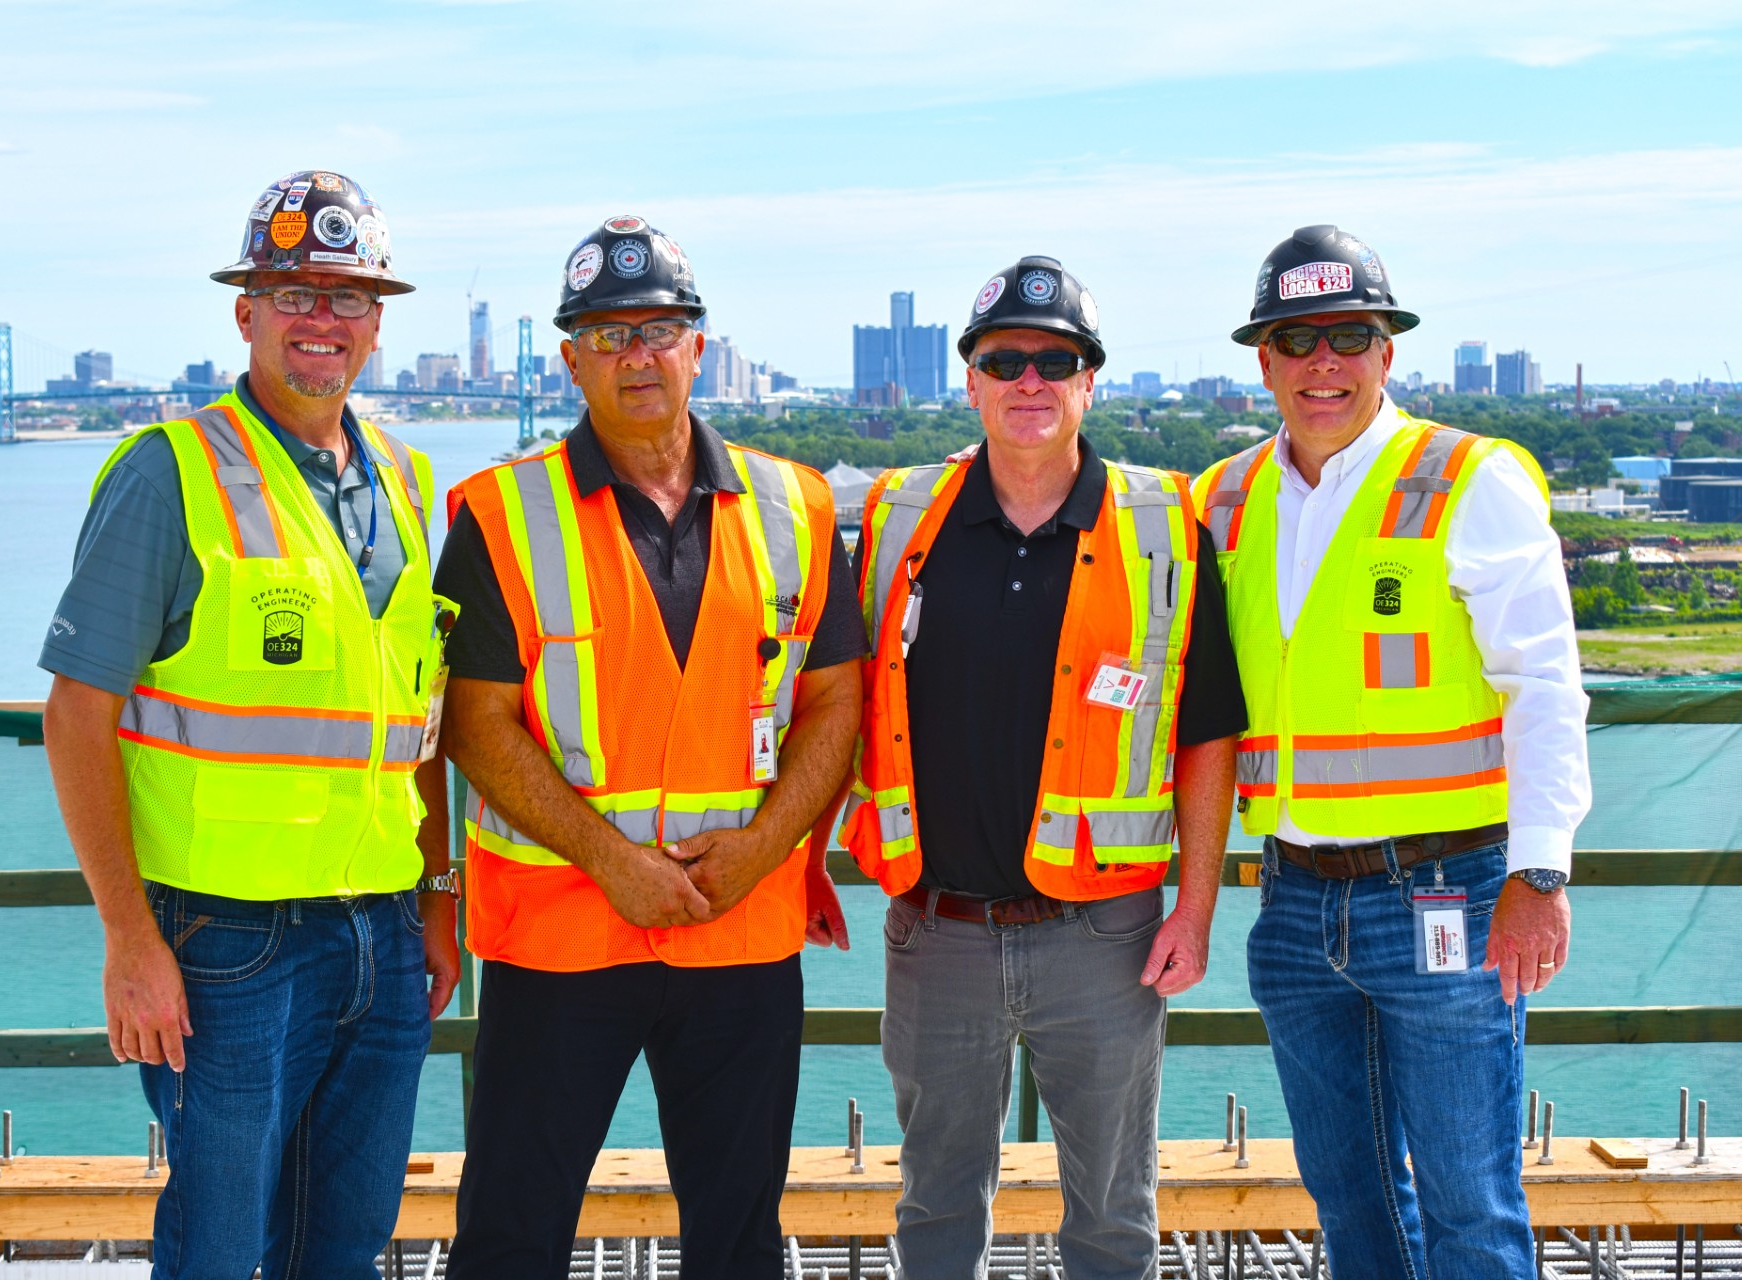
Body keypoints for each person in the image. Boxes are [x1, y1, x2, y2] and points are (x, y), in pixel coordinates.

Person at [40, 171, 459, 1279]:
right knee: (223, 1251)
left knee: (346, 1245)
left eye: (348, 296)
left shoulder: (410, 483)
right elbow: (76, 712)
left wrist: (437, 894)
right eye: (294, 293)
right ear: (247, 313)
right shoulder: (169, 474)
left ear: (378, 323)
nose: (322, 318)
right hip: (226, 943)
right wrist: (131, 941)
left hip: (380, 929)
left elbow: (417, 724)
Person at [435, 215, 867, 1279]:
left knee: (738, 1240)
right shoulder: (501, 513)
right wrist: (611, 860)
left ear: (699, 346)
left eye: (660, 328)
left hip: (740, 932)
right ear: (569, 354)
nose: (638, 353)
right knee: (509, 1233)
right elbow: (474, 724)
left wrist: (761, 849)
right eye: (610, 332)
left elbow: (838, 704)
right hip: (561, 937)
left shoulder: (798, 507)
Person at [1193, 224, 1590, 1279]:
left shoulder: (1469, 479)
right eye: (1297, 339)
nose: (1324, 361)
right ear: (1263, 358)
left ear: (1388, 353)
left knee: (1470, 1205)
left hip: (1446, 895)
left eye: (1351, 335)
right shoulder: (1224, 499)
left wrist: (1539, 871)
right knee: (1351, 1200)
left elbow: (1545, 687)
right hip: (1291, 906)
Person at [837, 256, 1242, 1279]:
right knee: (934, 1208)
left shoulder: (1165, 529)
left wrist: (1193, 911)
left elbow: (1207, 736)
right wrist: (805, 858)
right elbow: (838, 708)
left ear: (1089, 381)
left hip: (1105, 937)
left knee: (1112, 1213)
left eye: (1054, 360)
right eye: (1003, 358)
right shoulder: (894, 522)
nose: (1029, 380)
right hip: (939, 930)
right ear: (968, 380)